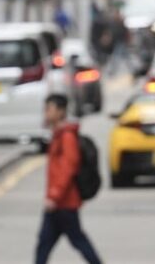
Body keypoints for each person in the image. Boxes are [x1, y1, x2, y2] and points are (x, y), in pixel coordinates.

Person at [34, 94, 101, 264]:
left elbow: (68, 168)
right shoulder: (58, 135)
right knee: (45, 243)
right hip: (60, 202)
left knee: (76, 240)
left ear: (61, 111)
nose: (46, 113)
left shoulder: (67, 137)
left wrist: (54, 195)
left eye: (49, 109)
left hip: (65, 202)